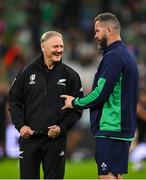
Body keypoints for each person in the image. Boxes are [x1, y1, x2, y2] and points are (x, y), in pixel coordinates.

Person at [61, 13, 139, 179]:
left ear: (109, 29)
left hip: (111, 125)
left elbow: (99, 93)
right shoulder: (127, 54)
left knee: (106, 176)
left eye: (97, 31)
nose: (95, 36)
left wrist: (75, 102)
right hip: (122, 125)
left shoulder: (114, 56)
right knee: (115, 175)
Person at [8, 31, 83, 179]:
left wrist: (62, 128)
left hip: (55, 141)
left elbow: (77, 109)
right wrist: (21, 126)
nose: (60, 50)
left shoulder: (71, 76)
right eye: (55, 46)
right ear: (43, 47)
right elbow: (14, 102)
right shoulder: (26, 73)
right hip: (29, 140)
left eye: (61, 46)